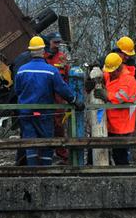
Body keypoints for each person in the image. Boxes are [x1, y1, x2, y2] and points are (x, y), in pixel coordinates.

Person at [15, 35, 84, 166]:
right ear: (43, 51)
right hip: (45, 114)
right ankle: (45, 172)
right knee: (47, 142)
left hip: (26, 113)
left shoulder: (21, 71)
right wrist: (75, 100)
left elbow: (17, 90)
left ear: (31, 51)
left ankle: (33, 172)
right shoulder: (51, 71)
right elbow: (62, 89)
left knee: (30, 143)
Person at [103, 51, 136, 165]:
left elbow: (120, 97)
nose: (110, 74)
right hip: (110, 123)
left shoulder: (128, 80)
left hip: (122, 126)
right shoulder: (110, 74)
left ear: (118, 69)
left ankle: (124, 180)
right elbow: (104, 75)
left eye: (112, 72)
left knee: (120, 157)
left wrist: (106, 95)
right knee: (98, 152)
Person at [43, 32, 71, 164]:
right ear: (48, 42)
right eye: (55, 42)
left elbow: (68, 78)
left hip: (59, 101)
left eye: (59, 42)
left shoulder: (62, 58)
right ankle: (45, 156)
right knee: (44, 128)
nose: (58, 45)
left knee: (59, 128)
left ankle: (62, 156)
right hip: (44, 99)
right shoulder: (41, 57)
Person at [113, 36, 136, 107]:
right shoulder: (108, 62)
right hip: (111, 105)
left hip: (129, 106)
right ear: (118, 51)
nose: (127, 57)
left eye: (129, 55)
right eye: (125, 54)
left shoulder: (132, 65)